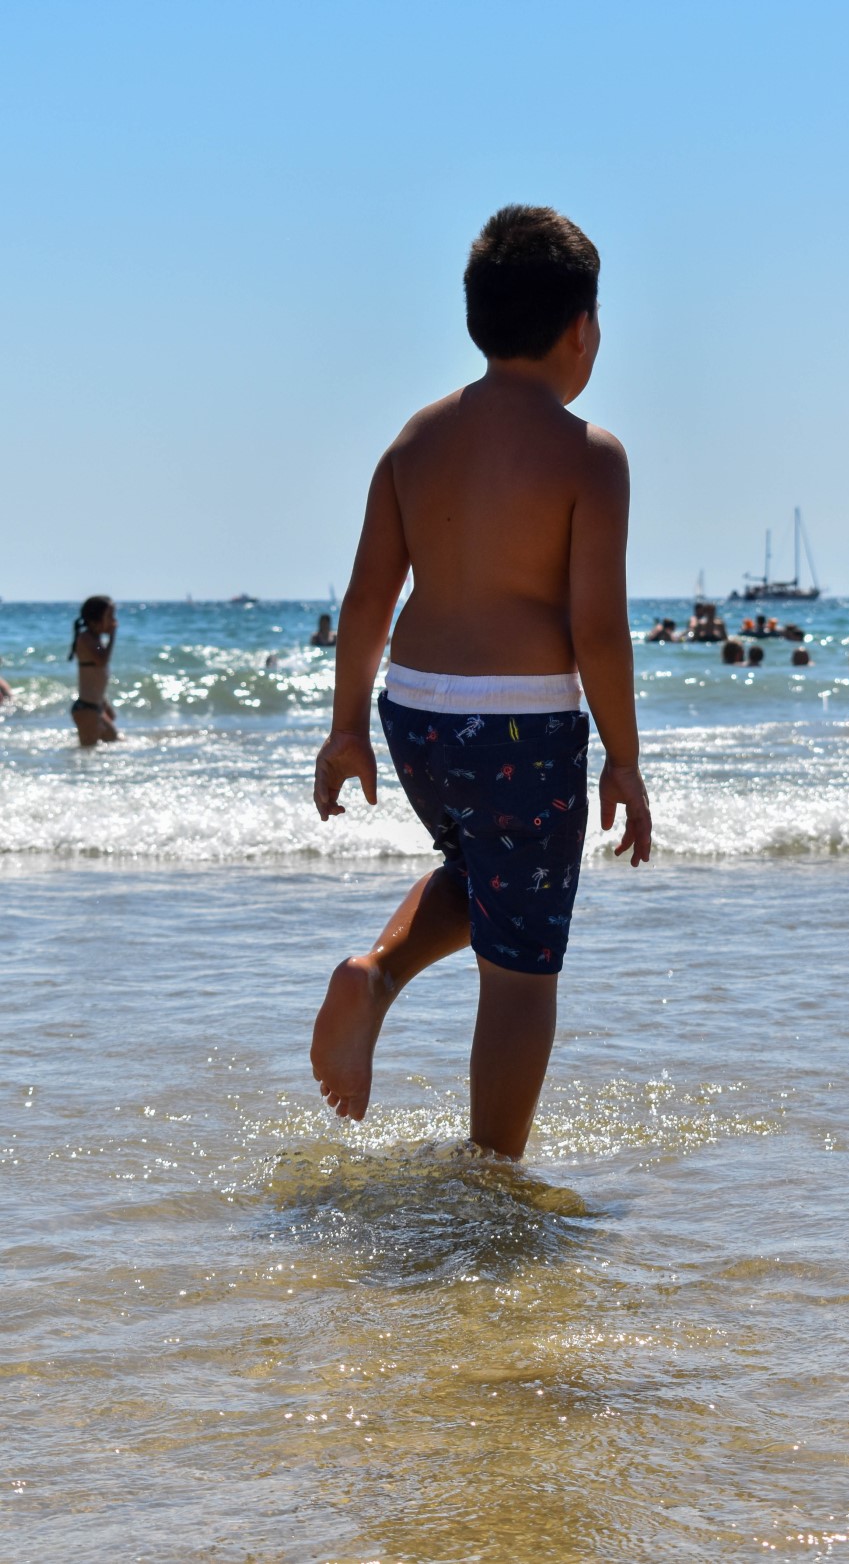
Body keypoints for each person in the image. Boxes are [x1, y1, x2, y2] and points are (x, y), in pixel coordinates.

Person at [309, 205, 651, 1160]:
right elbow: (598, 630)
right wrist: (623, 760)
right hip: (525, 728)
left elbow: (367, 599)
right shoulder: (591, 455)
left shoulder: (415, 442)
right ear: (582, 328)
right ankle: (494, 1174)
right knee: (522, 968)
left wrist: (346, 731)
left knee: (486, 875)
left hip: (417, 717)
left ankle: (376, 971)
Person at [69, 596, 119, 746]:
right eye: (109, 616)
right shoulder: (85, 638)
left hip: (95, 707)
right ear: (95, 619)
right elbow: (102, 660)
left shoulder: (95, 639)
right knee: (87, 754)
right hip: (86, 709)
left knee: (113, 740)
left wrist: (104, 703)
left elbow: (95, 679)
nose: (113, 620)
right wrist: (112, 636)